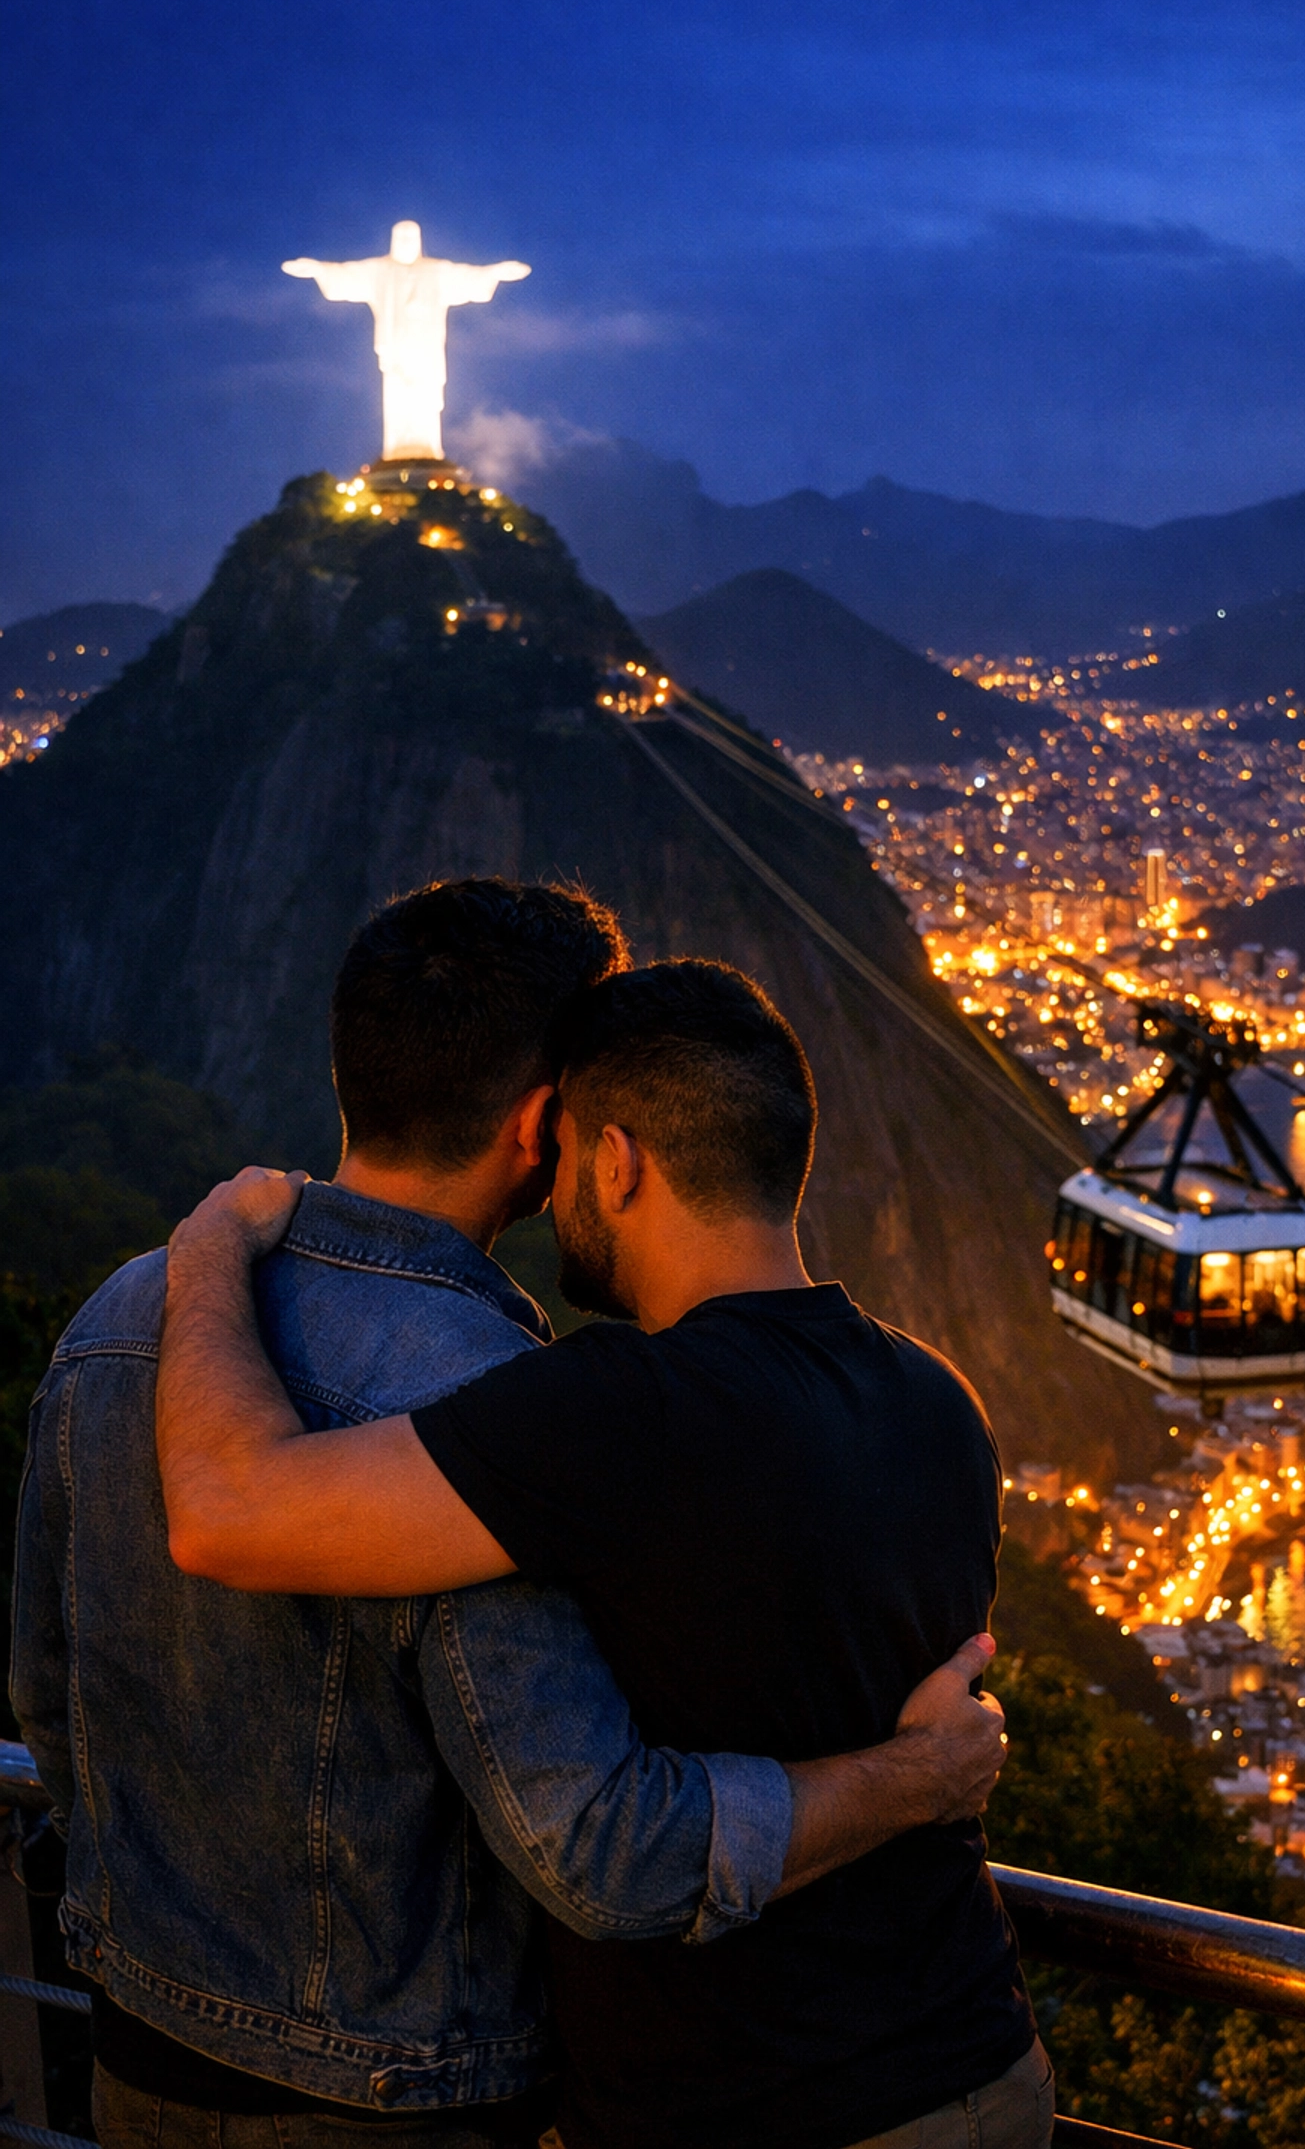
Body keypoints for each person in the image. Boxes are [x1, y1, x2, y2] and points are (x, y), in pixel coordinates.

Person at [11, 882, 1007, 2149]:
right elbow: (596, 1847)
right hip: (410, 2104)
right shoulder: (494, 1404)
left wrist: (205, 1245)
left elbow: (49, 1697)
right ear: (553, 1126)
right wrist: (924, 1774)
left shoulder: (118, 1324)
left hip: (134, 2058)